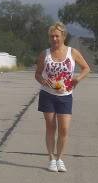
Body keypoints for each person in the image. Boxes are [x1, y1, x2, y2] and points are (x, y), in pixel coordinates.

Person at [34, 22, 90, 172]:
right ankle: (51, 159)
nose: (54, 39)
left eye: (57, 36)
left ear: (63, 36)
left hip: (65, 95)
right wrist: (44, 80)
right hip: (48, 94)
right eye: (51, 36)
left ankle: (60, 159)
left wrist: (78, 78)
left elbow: (86, 68)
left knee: (64, 129)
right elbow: (38, 74)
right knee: (51, 127)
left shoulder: (73, 52)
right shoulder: (44, 54)